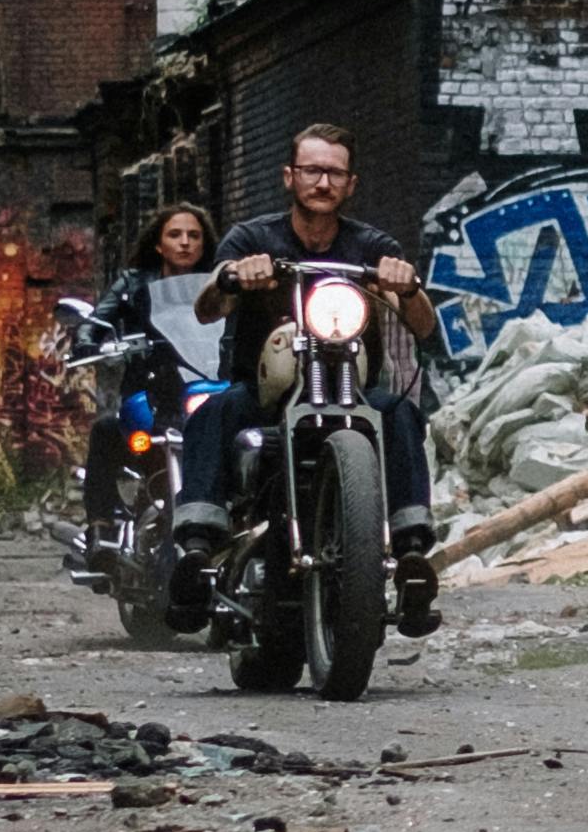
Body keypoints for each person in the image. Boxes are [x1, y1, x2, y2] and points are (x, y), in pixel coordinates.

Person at [176, 122, 445, 632]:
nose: (323, 182)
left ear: (351, 184)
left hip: (353, 390)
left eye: (334, 173)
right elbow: (209, 306)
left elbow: (423, 324)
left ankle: (411, 556)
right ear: (289, 176)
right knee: (211, 411)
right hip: (264, 393)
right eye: (312, 170)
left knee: (402, 414)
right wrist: (234, 275)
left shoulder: (370, 245)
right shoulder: (253, 237)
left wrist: (406, 287)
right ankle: (196, 551)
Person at [74, 196, 215, 559]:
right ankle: (100, 528)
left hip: (204, 381)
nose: (185, 242)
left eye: (194, 235)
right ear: (158, 243)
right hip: (151, 386)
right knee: (107, 432)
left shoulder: (220, 284)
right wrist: (87, 341)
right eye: (175, 234)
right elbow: (98, 320)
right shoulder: (133, 282)